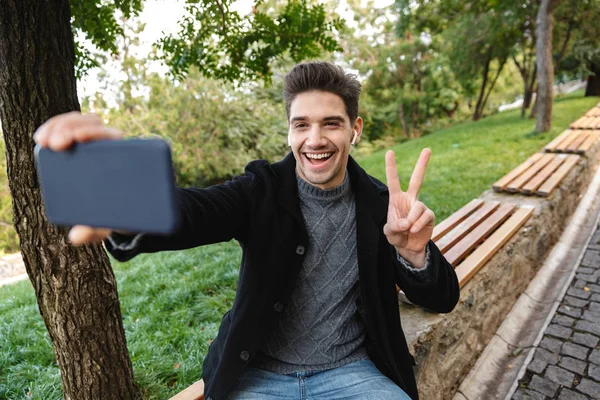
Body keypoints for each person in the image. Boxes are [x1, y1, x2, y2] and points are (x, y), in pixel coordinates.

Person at [33, 61, 460, 400]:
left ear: (355, 129)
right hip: (258, 378)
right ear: (289, 131)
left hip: (350, 374)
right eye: (301, 124)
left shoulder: (382, 206)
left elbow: (442, 298)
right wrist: (129, 203)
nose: (315, 139)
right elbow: (198, 210)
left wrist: (414, 252)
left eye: (331, 123)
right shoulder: (260, 191)